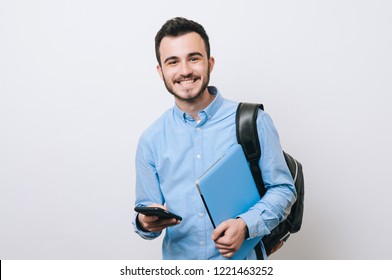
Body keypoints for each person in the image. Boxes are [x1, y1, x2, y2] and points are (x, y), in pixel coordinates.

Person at [132, 17, 296, 260]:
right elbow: (146, 217)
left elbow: (283, 190)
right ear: (161, 71)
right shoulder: (150, 140)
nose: (185, 70)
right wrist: (144, 222)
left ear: (210, 63)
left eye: (194, 58)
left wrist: (245, 225)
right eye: (173, 62)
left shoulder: (253, 121)